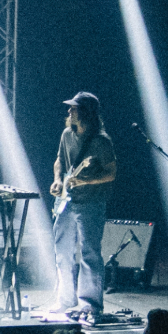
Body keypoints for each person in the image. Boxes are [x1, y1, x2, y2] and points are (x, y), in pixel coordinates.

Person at [49, 91, 117, 322]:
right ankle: (65, 300)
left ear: (86, 112)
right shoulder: (67, 134)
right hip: (66, 201)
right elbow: (59, 160)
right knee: (62, 251)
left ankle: (90, 305)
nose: (69, 111)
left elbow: (111, 173)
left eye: (74, 108)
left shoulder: (100, 141)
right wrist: (58, 180)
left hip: (91, 203)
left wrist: (86, 181)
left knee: (89, 253)